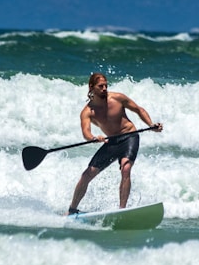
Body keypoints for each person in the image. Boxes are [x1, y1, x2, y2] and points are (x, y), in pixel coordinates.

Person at [67, 72, 163, 214]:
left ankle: (122, 210)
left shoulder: (118, 98)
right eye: (101, 86)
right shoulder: (87, 112)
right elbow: (86, 132)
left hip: (130, 137)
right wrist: (93, 138)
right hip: (111, 142)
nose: (105, 88)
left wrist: (151, 124)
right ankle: (72, 209)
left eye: (106, 85)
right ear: (91, 87)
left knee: (125, 169)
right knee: (87, 175)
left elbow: (138, 109)